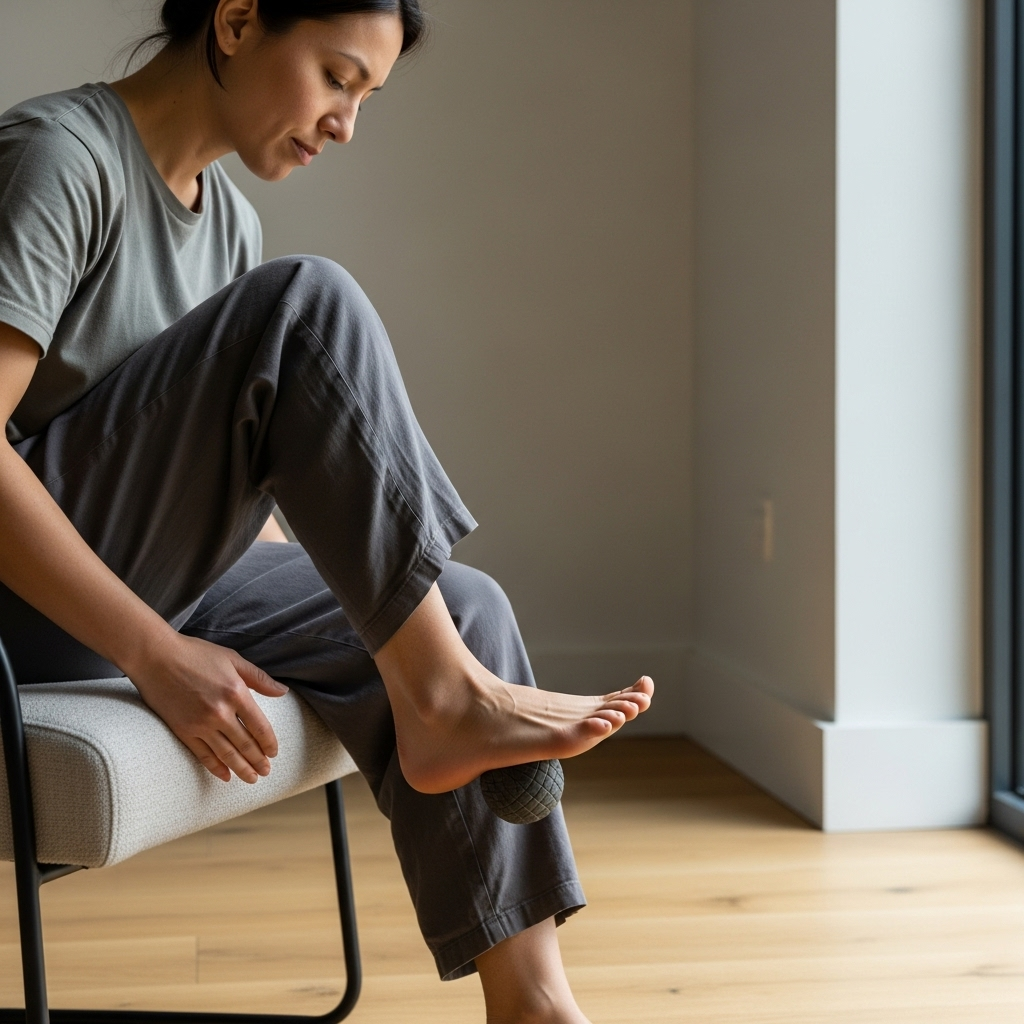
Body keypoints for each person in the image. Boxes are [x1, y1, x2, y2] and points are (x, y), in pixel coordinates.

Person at [0, 1, 654, 1020]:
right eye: (338, 77)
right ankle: (443, 701)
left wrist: (356, 593)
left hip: (138, 565)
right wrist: (153, 653)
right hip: (22, 609)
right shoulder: (57, 158)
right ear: (237, 20)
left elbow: (199, 483)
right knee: (305, 303)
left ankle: (533, 1004)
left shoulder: (228, 222)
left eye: (366, 97)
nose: (346, 122)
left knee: (459, 609)